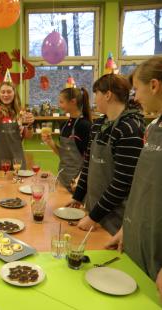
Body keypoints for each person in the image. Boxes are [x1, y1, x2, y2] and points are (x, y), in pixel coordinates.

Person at [106, 56, 162, 303]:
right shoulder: (153, 128)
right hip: (140, 241)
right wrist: (128, 226)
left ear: (154, 85)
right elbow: (142, 185)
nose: (136, 97)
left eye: (137, 89)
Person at [68, 74, 145, 235]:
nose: (95, 100)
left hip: (115, 219)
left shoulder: (129, 128)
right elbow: (88, 165)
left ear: (108, 95)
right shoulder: (98, 125)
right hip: (93, 211)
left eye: (96, 94)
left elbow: (122, 183)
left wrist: (94, 217)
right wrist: (77, 196)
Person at [42, 87, 92, 192]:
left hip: (76, 182)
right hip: (62, 178)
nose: (59, 105)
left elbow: (90, 159)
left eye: (61, 102)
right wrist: (50, 142)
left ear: (73, 101)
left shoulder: (84, 126)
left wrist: (79, 180)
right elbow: (63, 155)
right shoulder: (64, 125)